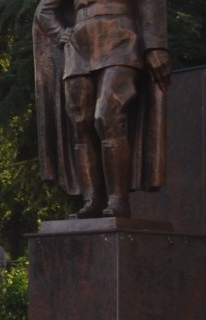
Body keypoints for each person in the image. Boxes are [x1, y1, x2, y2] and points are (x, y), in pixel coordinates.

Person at [34, 0, 170, 219]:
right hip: (79, 45)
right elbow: (44, 10)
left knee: (107, 117)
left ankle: (118, 199)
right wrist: (60, 33)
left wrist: (156, 45)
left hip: (121, 37)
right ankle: (92, 200)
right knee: (81, 124)